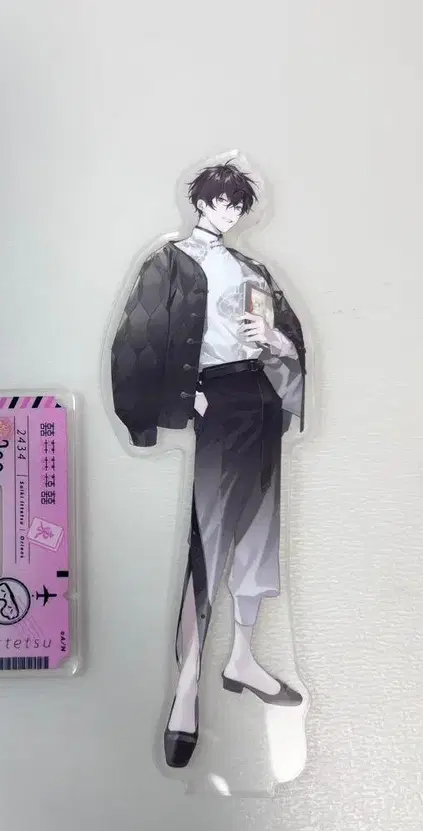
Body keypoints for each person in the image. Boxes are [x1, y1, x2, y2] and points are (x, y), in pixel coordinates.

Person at [110, 161, 308, 768]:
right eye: (221, 202)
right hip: (216, 402)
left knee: (258, 532)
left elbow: (286, 339)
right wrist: (171, 404)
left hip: (260, 400)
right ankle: (187, 685)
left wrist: (275, 342)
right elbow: (137, 340)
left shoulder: (252, 269)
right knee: (210, 537)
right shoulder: (169, 262)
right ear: (200, 202)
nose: (229, 213)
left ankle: (242, 657)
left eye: (237, 205)